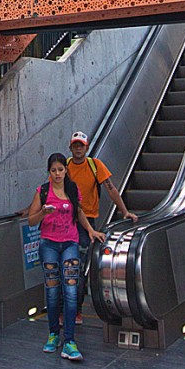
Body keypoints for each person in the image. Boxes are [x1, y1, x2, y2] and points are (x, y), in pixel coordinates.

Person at [27, 152, 103, 362]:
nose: (58, 174)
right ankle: (53, 334)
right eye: (54, 171)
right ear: (49, 172)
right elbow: (32, 220)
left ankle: (69, 340)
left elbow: (78, 212)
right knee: (52, 291)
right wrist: (43, 212)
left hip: (70, 242)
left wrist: (89, 230)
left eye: (61, 170)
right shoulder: (42, 191)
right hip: (49, 244)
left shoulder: (72, 188)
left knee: (70, 289)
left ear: (66, 170)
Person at [67, 130, 137, 324]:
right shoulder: (64, 167)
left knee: (78, 268)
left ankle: (76, 310)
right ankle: (65, 308)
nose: (78, 148)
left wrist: (125, 211)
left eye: (81, 145)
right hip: (65, 222)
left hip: (86, 223)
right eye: (75, 145)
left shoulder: (95, 165)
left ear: (87, 148)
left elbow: (111, 189)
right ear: (70, 147)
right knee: (65, 266)